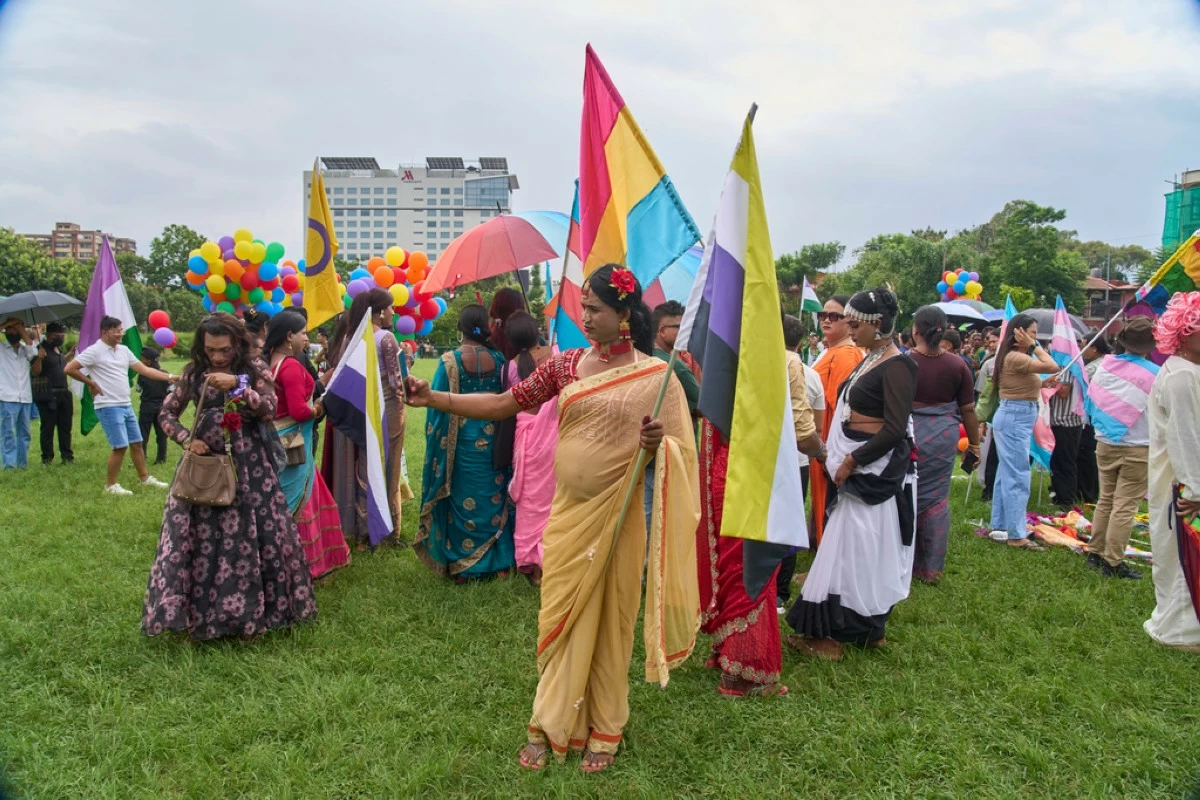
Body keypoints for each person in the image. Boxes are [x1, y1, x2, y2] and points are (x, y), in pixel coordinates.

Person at [405, 265, 699, 772]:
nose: (584, 317)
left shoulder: (656, 378)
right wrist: (435, 397)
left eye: (595, 309)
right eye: (583, 306)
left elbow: (682, 450)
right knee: (558, 619)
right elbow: (503, 403)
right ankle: (550, 720)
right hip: (566, 517)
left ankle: (605, 728)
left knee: (609, 621)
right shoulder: (566, 366)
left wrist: (658, 445)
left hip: (617, 519)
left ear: (624, 315)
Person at [142, 313, 316, 641]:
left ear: (237, 343)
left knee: (255, 535)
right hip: (205, 467)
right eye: (211, 350)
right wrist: (185, 439)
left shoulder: (255, 369)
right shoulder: (195, 373)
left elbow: (268, 408)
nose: (218, 356)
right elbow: (166, 413)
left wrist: (237, 385)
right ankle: (202, 615)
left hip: (251, 468)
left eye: (224, 349)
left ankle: (255, 613)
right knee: (203, 538)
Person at [785, 287, 916, 661]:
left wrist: (851, 461)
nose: (849, 329)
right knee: (857, 549)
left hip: (869, 473)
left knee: (854, 550)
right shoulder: (870, 358)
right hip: (856, 468)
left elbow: (894, 428)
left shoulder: (898, 365)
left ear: (877, 325)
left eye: (856, 324)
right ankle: (868, 630)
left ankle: (834, 636)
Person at [697, 312, 823, 698]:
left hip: (721, 469)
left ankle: (726, 650)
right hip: (756, 471)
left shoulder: (723, 357)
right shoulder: (783, 361)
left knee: (731, 564)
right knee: (755, 565)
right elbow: (803, 432)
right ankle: (744, 672)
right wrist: (825, 455)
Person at [415, 304, 516, 581]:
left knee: (463, 495)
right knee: (493, 495)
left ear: (460, 329)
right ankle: (500, 563)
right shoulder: (499, 359)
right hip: (493, 436)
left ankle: (463, 566)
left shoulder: (450, 361)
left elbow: (436, 404)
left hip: (461, 440)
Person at [320, 290, 410, 549]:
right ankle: (388, 530)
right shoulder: (386, 339)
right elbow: (396, 383)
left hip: (360, 410)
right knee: (389, 469)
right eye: (391, 308)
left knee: (363, 468)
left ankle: (360, 533)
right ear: (380, 311)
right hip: (388, 410)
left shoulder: (352, 335)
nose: (394, 313)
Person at [266, 310, 351, 580]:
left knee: (302, 492)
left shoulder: (273, 362)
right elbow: (299, 411)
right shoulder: (290, 367)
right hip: (292, 438)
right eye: (303, 333)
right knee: (296, 499)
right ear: (289, 336)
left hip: (280, 434)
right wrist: (319, 406)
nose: (307, 337)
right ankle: (298, 564)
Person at [1144, 292, 1200, 652]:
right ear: (1185, 332)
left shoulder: (1185, 371)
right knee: (1183, 561)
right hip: (1183, 489)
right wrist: (1195, 492)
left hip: (1182, 484)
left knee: (1175, 559)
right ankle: (1180, 634)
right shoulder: (1183, 376)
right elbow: (1186, 438)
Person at [908, 306, 979, 584]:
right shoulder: (958, 364)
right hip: (942, 437)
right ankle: (930, 569)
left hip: (909, 434)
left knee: (904, 495)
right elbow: (969, 410)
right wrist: (974, 444)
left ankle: (901, 560)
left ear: (915, 331)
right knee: (936, 500)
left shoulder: (904, 362)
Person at [65, 316, 175, 495]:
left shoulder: (123, 350)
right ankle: (110, 485)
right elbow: (69, 368)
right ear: (105, 332)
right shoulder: (94, 351)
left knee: (137, 443)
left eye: (121, 330)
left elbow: (145, 370)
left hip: (125, 404)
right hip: (108, 405)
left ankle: (145, 478)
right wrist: (91, 383)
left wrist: (170, 377)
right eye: (116, 331)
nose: (120, 334)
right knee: (120, 446)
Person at [1084, 318, 1156, 581]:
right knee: (1125, 506)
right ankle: (1112, 561)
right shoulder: (1154, 374)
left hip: (1105, 443)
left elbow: (1092, 402)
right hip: (1137, 447)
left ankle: (1095, 551)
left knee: (1106, 500)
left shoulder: (1104, 368)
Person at [986, 313, 1060, 547]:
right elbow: (1052, 365)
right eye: (1032, 333)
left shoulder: (1013, 358)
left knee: (1005, 474)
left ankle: (1000, 526)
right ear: (1018, 334)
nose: (1034, 338)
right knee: (1018, 475)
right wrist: (1035, 346)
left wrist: (1040, 382)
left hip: (1015, 415)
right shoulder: (1016, 356)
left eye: (1036, 334)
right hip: (1014, 417)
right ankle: (1017, 535)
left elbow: (1023, 381)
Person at [777, 314, 826, 611]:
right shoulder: (811, 374)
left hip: (762, 459)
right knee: (788, 526)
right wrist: (820, 452)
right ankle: (780, 593)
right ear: (799, 341)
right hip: (798, 462)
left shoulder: (752, 366)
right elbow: (815, 428)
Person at [505, 311, 558, 586]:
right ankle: (552, 563)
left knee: (530, 503)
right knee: (552, 501)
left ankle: (533, 567)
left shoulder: (511, 367)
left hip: (525, 439)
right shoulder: (556, 356)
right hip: (553, 435)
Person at [809, 296, 864, 545]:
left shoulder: (845, 355)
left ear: (849, 321)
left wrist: (831, 449)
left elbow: (842, 405)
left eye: (834, 316)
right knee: (820, 498)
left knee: (830, 500)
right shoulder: (830, 351)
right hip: (818, 438)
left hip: (830, 439)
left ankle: (826, 555)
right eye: (823, 315)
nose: (826, 320)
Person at [30, 322, 75, 465]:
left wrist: (68, 356)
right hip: (48, 394)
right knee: (48, 428)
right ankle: (47, 458)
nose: (60, 337)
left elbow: (58, 365)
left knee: (65, 427)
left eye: (62, 334)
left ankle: (67, 457)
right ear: (48, 334)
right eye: (57, 334)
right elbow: (35, 372)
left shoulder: (58, 350)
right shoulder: (40, 350)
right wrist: (39, 358)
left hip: (64, 393)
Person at [0, 318, 38, 469]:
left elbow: (34, 353)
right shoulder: (2, 348)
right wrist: (5, 324)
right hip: (7, 396)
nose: (13, 332)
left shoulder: (25, 349)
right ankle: (9, 464)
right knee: (8, 432)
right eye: (10, 330)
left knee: (25, 433)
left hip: (25, 396)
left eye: (16, 329)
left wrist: (22, 330)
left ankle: (22, 464)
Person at [136, 347, 170, 465]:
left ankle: (142, 456)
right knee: (161, 434)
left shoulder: (143, 375)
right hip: (162, 407)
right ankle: (161, 458)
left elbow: (138, 389)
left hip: (146, 407)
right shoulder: (165, 374)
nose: (140, 361)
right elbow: (171, 390)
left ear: (148, 362)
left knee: (143, 434)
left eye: (142, 359)